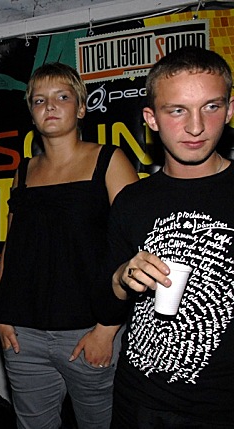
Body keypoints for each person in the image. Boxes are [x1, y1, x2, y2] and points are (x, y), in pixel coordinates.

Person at [0, 63, 139, 429]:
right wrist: (2, 313)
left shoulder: (110, 160)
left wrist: (107, 330)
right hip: (23, 336)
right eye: (39, 100)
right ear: (31, 113)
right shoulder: (23, 171)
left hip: (89, 333)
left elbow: (136, 250)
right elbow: (13, 247)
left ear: (81, 107)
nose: (50, 106)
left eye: (62, 96)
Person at [99, 46, 234, 428]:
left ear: (230, 109)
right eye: (177, 110)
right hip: (137, 402)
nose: (196, 127)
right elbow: (105, 306)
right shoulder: (132, 200)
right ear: (151, 119)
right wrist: (122, 276)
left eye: (211, 106)